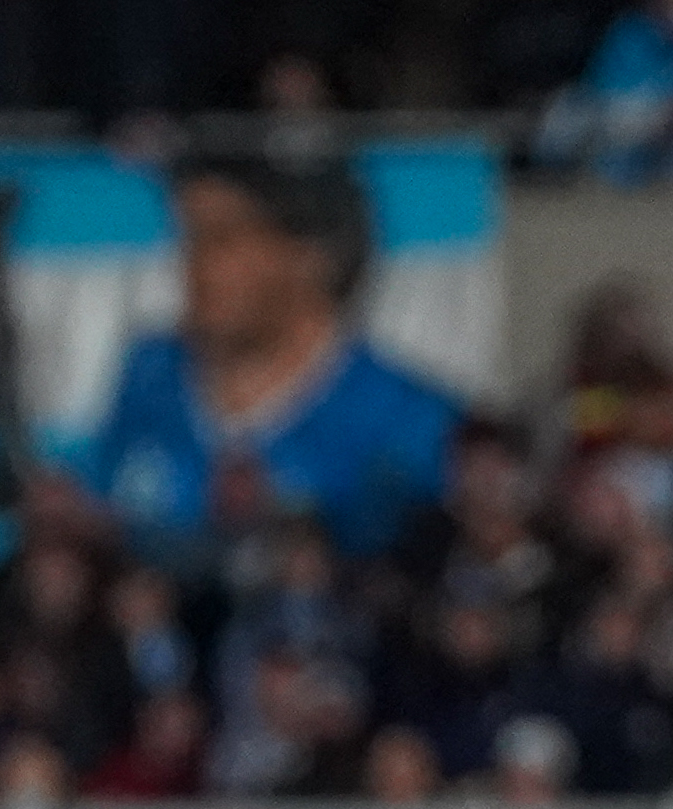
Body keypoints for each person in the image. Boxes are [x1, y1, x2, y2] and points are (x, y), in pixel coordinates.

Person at [85, 147, 462, 565]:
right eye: (190, 235)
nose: (196, 262)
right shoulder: (149, 377)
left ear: (312, 256)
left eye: (224, 236)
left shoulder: (411, 423)